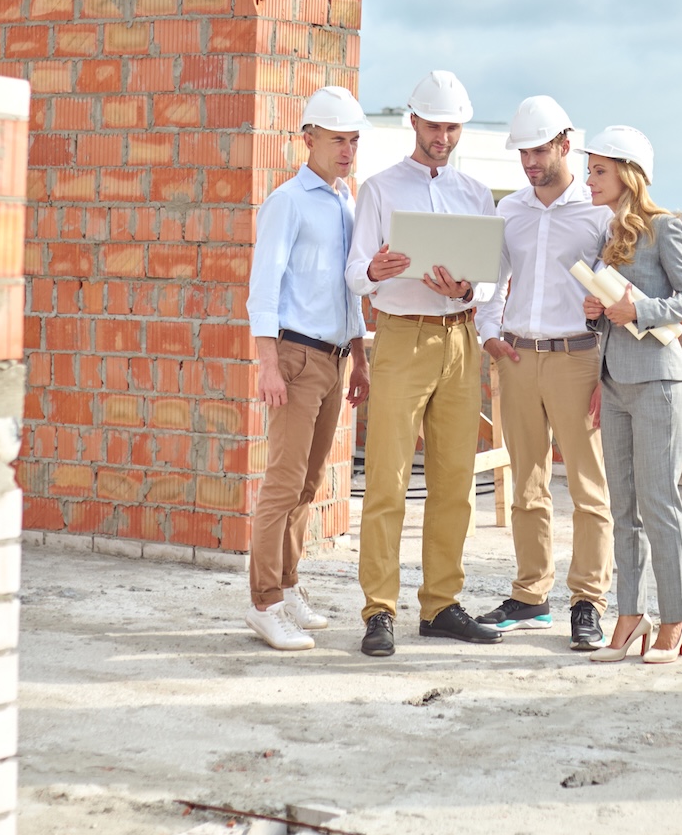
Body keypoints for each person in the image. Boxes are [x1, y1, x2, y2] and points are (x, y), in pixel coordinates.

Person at [345, 69, 505, 657]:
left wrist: (467, 289)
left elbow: (490, 278)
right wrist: (376, 271)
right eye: (434, 126)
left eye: (453, 128)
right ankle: (379, 610)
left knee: (455, 482)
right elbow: (354, 271)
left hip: (460, 340)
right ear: (413, 121)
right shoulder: (380, 189)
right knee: (386, 479)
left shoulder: (476, 194)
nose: (443, 138)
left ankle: (440, 605)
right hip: (401, 338)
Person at [474, 96, 614, 651]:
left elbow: (617, 294)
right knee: (526, 486)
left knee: (588, 487)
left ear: (564, 144)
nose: (530, 163)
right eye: (523, 153)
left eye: (538, 151)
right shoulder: (510, 210)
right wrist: (489, 331)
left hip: (578, 359)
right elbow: (492, 279)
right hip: (517, 358)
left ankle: (588, 602)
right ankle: (531, 595)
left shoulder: (600, 212)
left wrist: (606, 369)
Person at [243, 86, 370, 652]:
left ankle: (289, 585)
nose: (347, 150)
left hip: (335, 359)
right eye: (337, 139)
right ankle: (264, 604)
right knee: (283, 484)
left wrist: (359, 357)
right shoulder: (288, 201)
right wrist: (267, 364)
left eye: (354, 140)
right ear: (308, 139)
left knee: (309, 484)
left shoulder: (347, 202)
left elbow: (348, 291)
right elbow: (263, 287)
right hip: (294, 357)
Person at [580, 126, 682, 664]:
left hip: (659, 383)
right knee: (623, 508)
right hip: (614, 384)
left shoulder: (664, 228)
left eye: (599, 171)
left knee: (660, 505)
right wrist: (596, 314)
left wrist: (640, 310)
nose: (589, 179)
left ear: (628, 174)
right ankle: (630, 616)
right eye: (589, 170)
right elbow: (610, 315)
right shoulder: (608, 235)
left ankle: (676, 620)